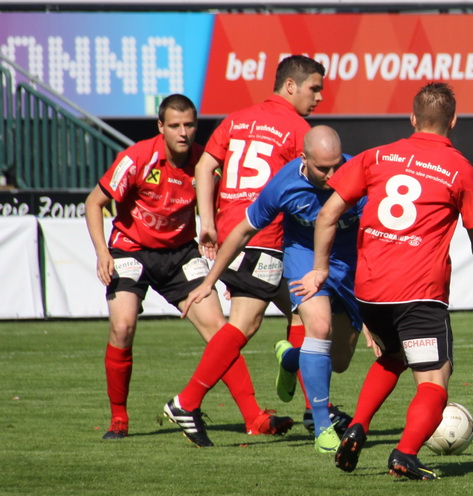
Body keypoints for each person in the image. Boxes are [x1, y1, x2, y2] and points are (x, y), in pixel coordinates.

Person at [291, 83, 473, 479]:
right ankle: (405, 453)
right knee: (434, 380)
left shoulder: (375, 156)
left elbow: (327, 214)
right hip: (418, 293)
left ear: (412, 118)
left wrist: (319, 268)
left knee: (393, 357)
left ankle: (357, 426)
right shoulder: (461, 170)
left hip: (370, 292)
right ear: (454, 120)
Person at [85, 94, 286, 443]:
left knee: (219, 330)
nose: (183, 132)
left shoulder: (205, 164)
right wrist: (102, 252)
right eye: (175, 125)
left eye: (189, 125)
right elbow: (94, 202)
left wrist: (226, 272)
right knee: (123, 326)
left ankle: (254, 417)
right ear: (160, 127)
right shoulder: (137, 157)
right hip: (130, 251)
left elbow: (223, 215)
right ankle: (119, 418)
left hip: (180, 255)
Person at [163, 55, 332, 447]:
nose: (319, 97)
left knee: (304, 312)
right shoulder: (298, 129)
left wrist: (207, 222)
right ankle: (186, 402)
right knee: (245, 324)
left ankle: (314, 410)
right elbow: (312, 185)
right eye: (314, 88)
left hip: (233, 234)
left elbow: (204, 167)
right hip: (264, 235)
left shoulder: (236, 119)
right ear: (290, 85)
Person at [182, 125, 371, 453]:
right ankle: (322, 427)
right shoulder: (284, 184)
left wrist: (372, 304)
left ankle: (292, 357)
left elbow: (375, 238)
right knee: (319, 328)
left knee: (339, 361)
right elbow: (243, 231)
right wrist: (209, 281)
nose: (332, 175)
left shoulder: (358, 177)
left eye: (336, 165)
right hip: (304, 258)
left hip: (347, 265)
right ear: (304, 159)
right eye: (322, 168)